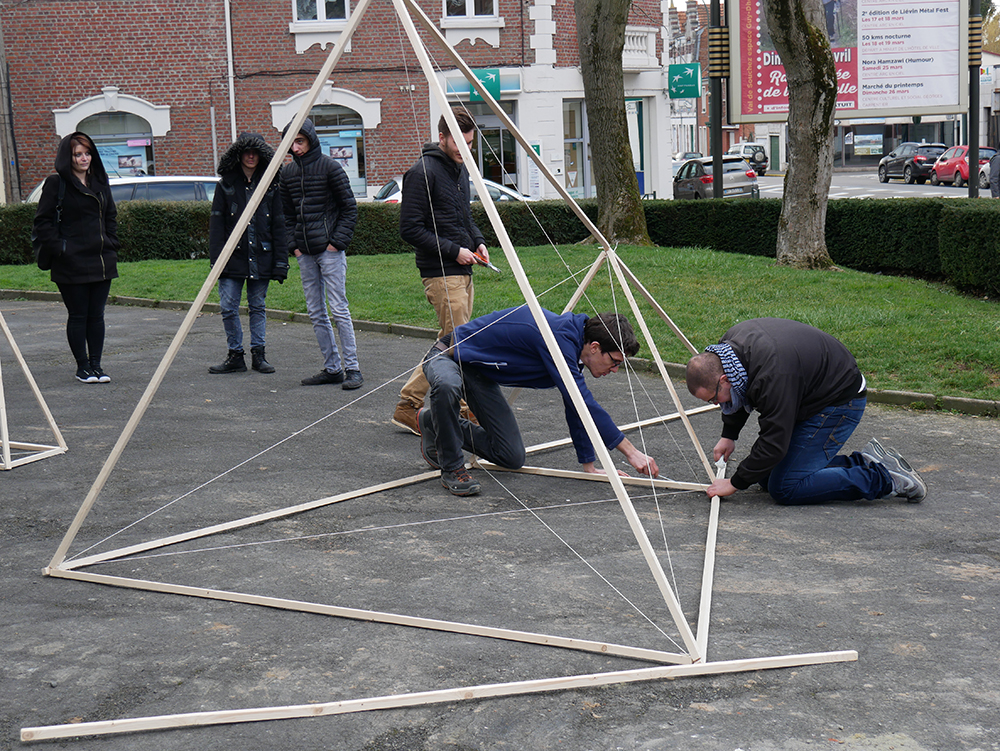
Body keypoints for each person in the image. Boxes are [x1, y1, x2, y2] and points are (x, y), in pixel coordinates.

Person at [418, 306, 660, 496]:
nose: (615, 369)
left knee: (511, 456)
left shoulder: (574, 347)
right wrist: (631, 452)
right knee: (447, 385)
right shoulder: (558, 338)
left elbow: (575, 406)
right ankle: (452, 469)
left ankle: (433, 421)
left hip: (477, 373)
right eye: (615, 361)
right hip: (448, 355)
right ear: (595, 347)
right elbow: (583, 403)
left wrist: (590, 467)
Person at [685, 317, 926, 505]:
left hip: (840, 401)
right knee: (766, 476)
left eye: (713, 399)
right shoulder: (728, 352)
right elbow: (741, 391)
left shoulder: (773, 376)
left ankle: (886, 478)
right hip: (811, 394)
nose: (715, 404)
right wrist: (729, 434)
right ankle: (863, 462)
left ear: (724, 379)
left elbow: (774, 441)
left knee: (785, 487)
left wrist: (735, 483)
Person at [391, 107, 489, 434]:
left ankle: (408, 405)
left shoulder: (459, 169)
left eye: (470, 143)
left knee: (450, 341)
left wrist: (477, 242)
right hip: (440, 272)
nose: (465, 149)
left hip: (463, 270)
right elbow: (409, 229)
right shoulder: (421, 172)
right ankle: (461, 410)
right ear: (442, 137)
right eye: (460, 142)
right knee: (460, 344)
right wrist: (454, 251)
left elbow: (465, 217)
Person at [279, 118, 362, 389]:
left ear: (311, 139)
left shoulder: (330, 167)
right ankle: (332, 367)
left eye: (300, 141)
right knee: (315, 312)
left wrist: (336, 243)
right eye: (291, 143)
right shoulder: (288, 174)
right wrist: (295, 246)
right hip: (305, 253)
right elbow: (287, 214)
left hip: (329, 251)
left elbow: (349, 208)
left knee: (338, 308)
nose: (295, 148)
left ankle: (353, 369)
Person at [32, 132, 119, 384]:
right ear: (67, 157)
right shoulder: (56, 183)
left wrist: (111, 243)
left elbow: (110, 216)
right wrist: (62, 249)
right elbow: (42, 223)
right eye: (77, 154)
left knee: (97, 315)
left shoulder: (100, 181)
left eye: (87, 153)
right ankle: (83, 367)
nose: (84, 158)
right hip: (70, 262)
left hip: (101, 259)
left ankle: (97, 366)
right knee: (79, 315)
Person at [208, 132, 289, 375]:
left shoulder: (271, 186)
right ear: (239, 154)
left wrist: (281, 262)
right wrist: (217, 261)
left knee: (257, 306)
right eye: (247, 152)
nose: (251, 156)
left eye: (256, 152)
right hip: (232, 257)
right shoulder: (225, 185)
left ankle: (259, 355)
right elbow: (216, 227)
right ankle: (235, 354)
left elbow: (279, 225)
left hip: (261, 256)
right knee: (228, 306)